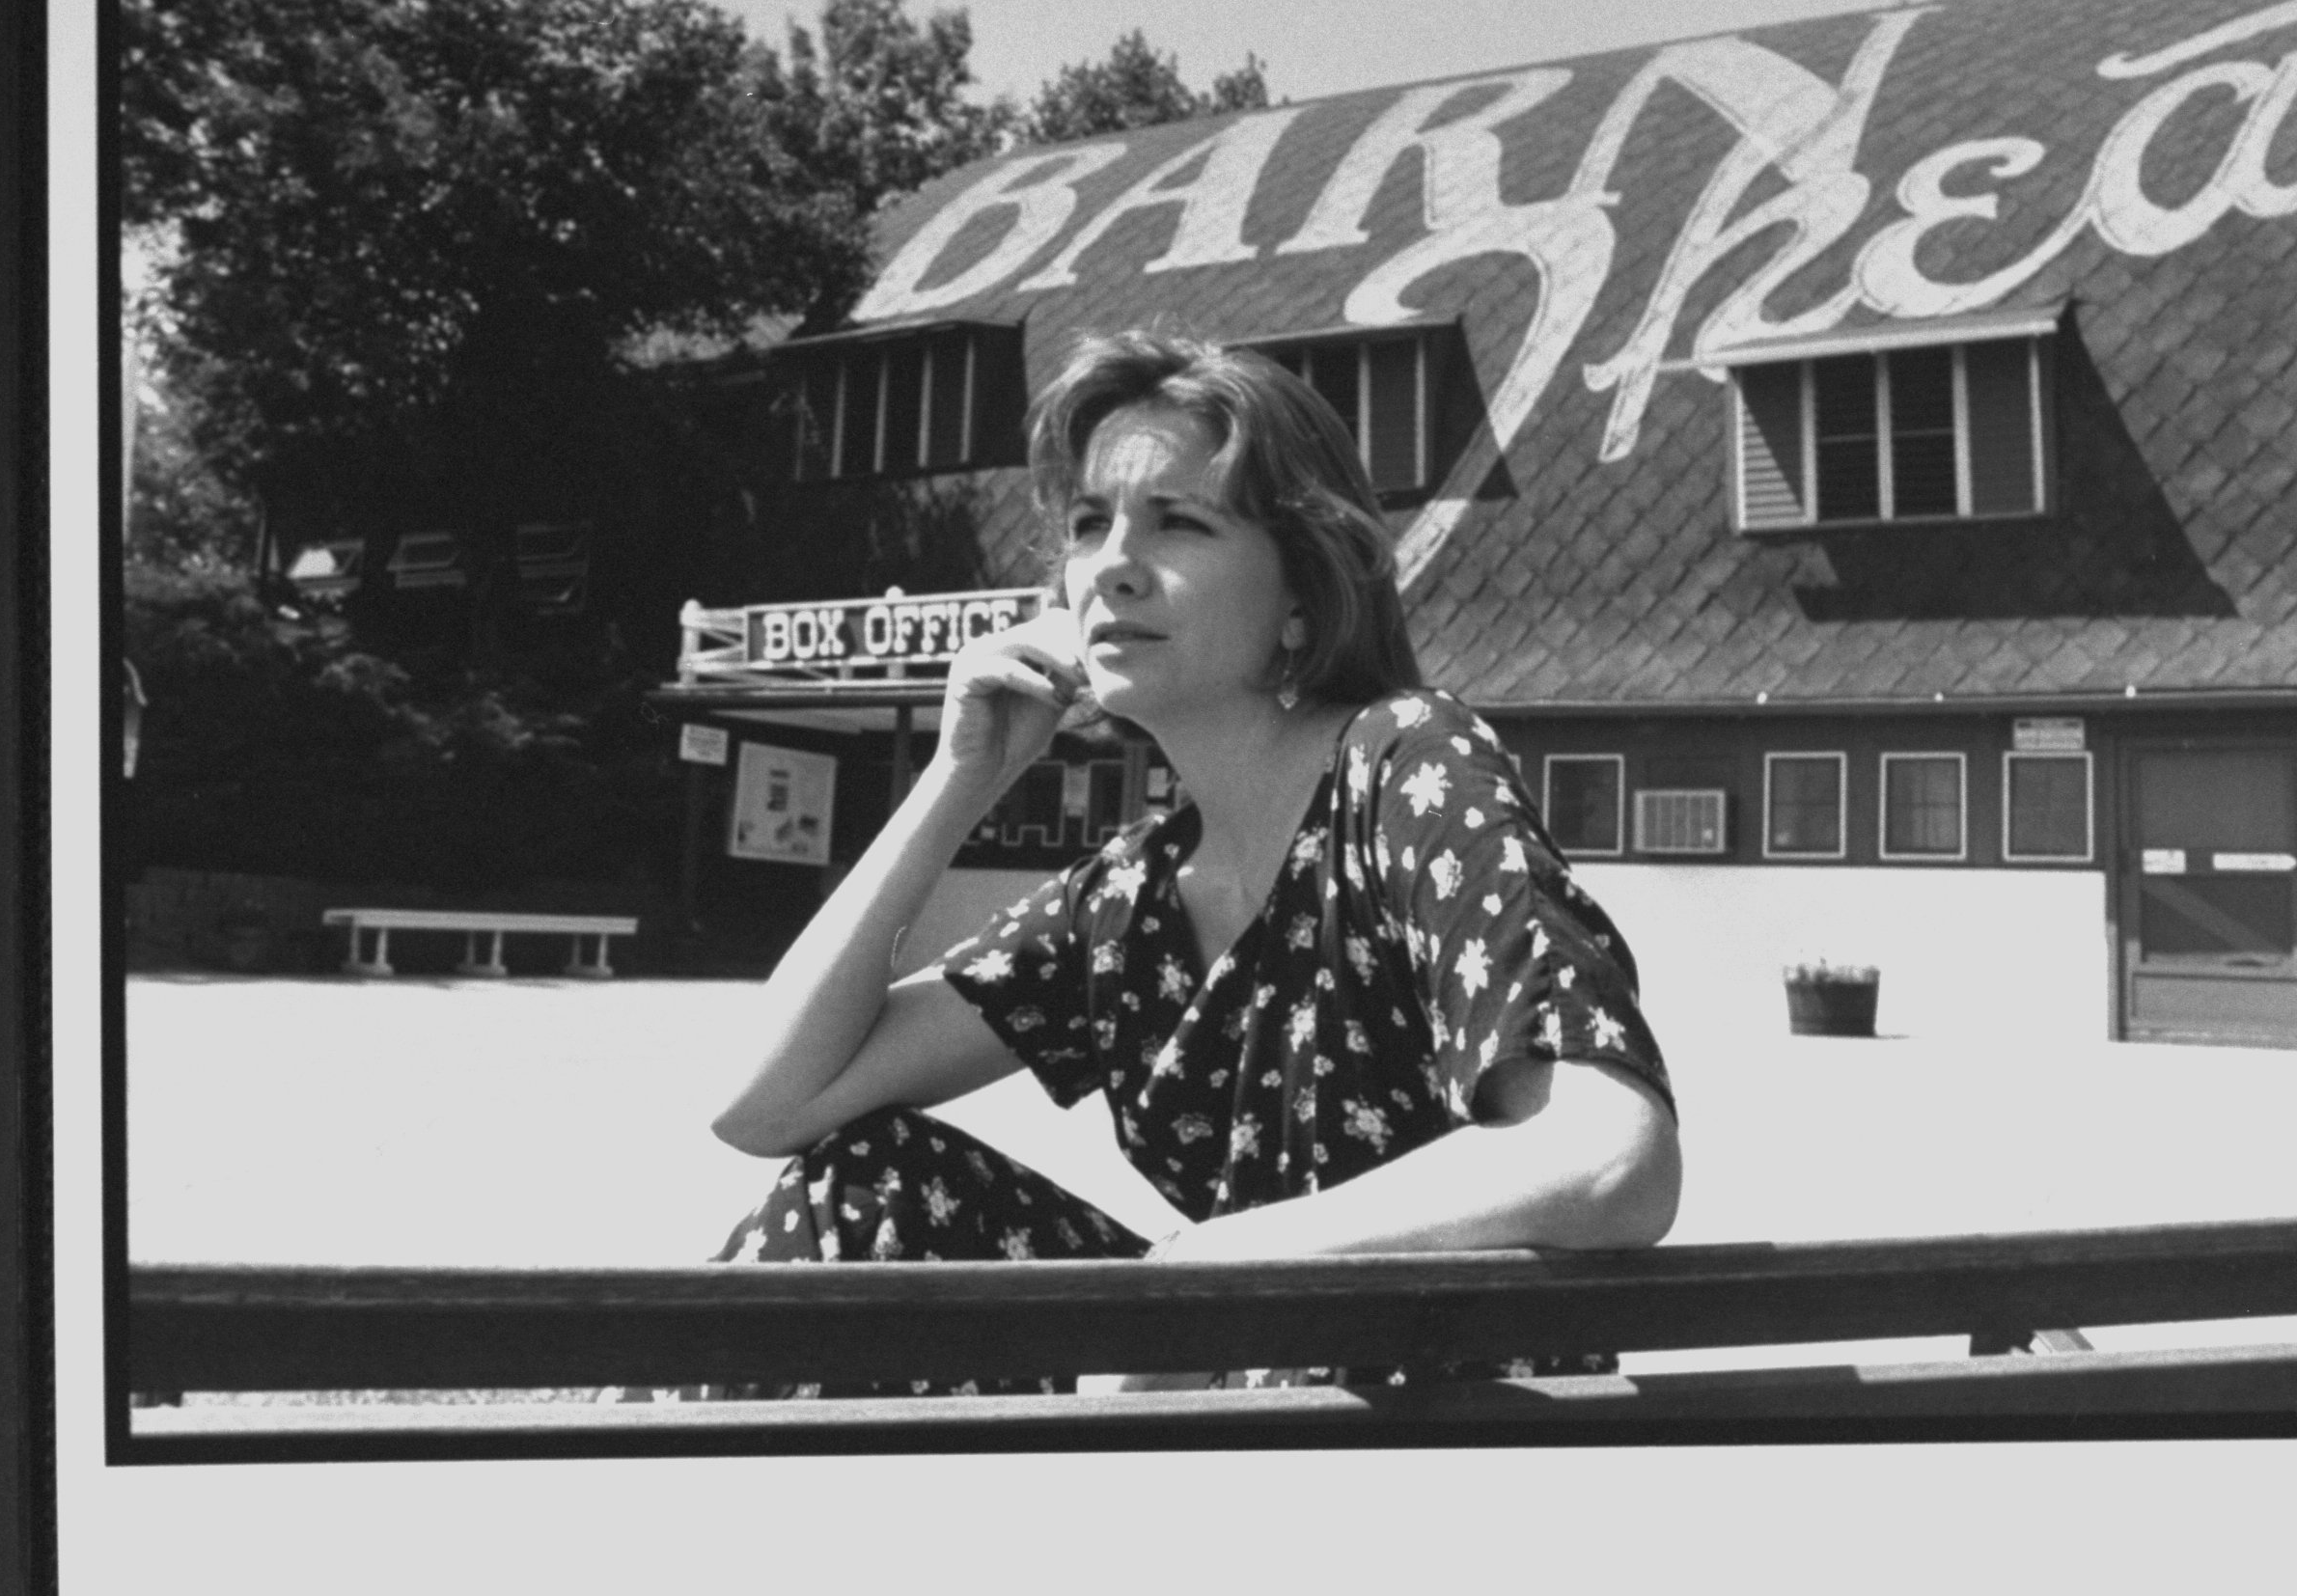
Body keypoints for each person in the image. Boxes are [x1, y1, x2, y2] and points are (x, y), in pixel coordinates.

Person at [700, 330, 1678, 1396]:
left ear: (1304, 587)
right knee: (866, 1184)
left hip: (1447, 1415)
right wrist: (957, 780)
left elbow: (1606, 1156)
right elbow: (768, 1108)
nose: (1112, 561)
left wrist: (1205, 1266)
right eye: (1087, 522)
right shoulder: (1128, 898)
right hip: (1237, 1379)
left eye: (1179, 521)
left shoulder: (1404, 762)